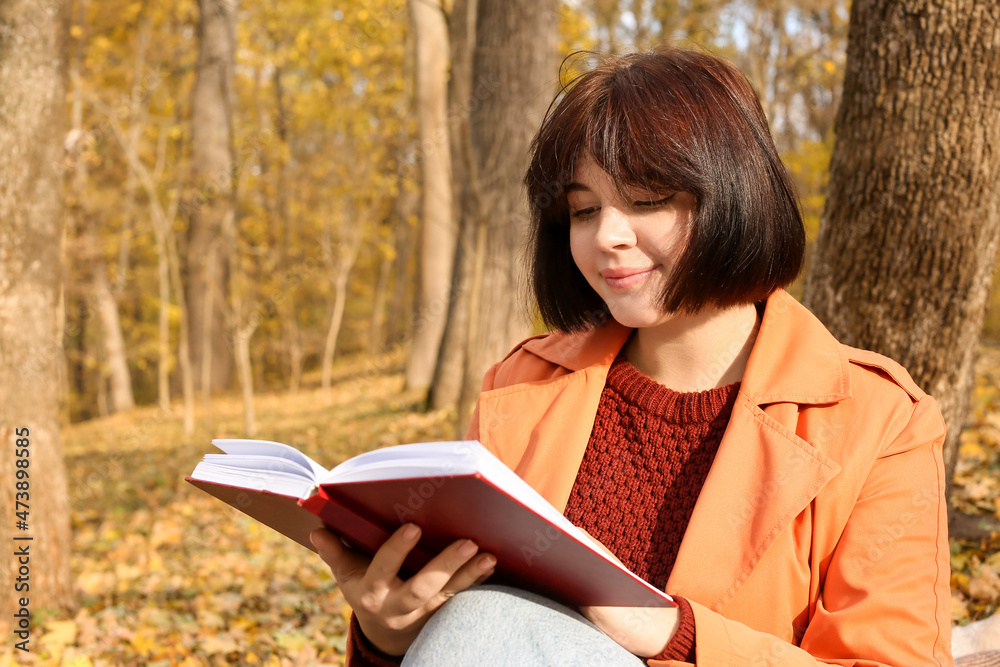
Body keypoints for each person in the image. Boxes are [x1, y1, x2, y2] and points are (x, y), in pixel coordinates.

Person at [311, 45, 954, 666]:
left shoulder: (881, 420)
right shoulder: (523, 383)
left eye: (647, 200)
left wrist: (678, 632)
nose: (607, 238)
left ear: (735, 192)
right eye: (584, 210)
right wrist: (386, 635)